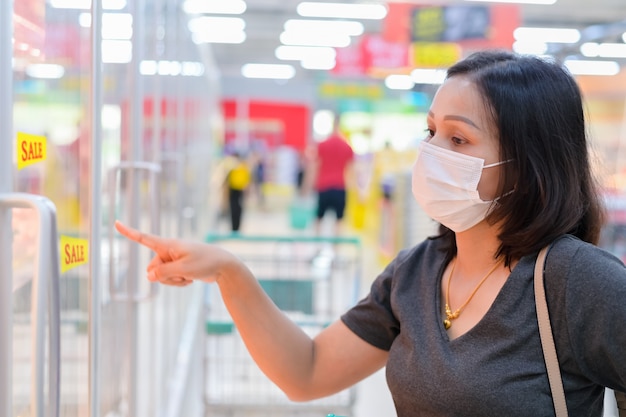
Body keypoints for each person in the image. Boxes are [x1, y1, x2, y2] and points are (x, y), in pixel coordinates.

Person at [114, 50, 626, 416]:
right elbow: (307, 372)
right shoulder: (416, 272)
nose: (431, 152)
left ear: (526, 164)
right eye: (431, 132)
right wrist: (228, 272)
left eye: (458, 138)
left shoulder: (575, 281)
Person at [305, 114, 354, 237]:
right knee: (339, 221)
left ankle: (317, 246)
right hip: (340, 187)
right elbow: (351, 170)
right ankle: (336, 251)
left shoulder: (322, 145)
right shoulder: (347, 147)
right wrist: (354, 188)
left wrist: (307, 186)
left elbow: (314, 167)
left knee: (319, 218)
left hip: (323, 186)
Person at [225, 152, 251, 232]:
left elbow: (246, 179)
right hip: (232, 190)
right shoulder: (230, 167)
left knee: (238, 209)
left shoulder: (243, 167)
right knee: (232, 209)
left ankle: (237, 227)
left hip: (239, 190)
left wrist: (246, 188)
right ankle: (233, 227)